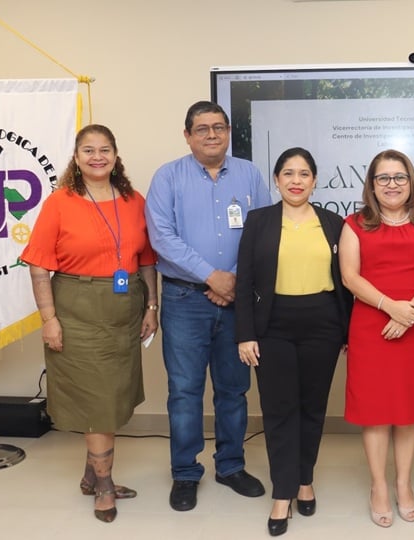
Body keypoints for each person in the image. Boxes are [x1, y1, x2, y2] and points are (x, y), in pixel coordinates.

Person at [21, 124, 159, 523]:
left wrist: (151, 306)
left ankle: (89, 475)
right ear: (76, 158)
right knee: (97, 402)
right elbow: (38, 268)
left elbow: (147, 260)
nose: (97, 156)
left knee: (111, 396)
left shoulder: (134, 200)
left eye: (104, 150)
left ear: (116, 156)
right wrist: (49, 319)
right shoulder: (60, 202)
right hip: (76, 310)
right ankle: (103, 484)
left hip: (124, 310)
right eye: (88, 150)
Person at [145, 101, 272, 512]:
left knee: (234, 390)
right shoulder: (167, 177)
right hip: (184, 299)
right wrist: (211, 276)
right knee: (184, 391)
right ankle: (185, 473)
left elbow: (264, 231)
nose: (212, 135)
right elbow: (162, 237)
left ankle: (231, 466)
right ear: (188, 135)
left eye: (219, 127)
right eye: (202, 129)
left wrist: (232, 279)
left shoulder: (250, 174)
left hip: (238, 299)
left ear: (229, 130)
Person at [235, 147, 351, 536]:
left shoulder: (335, 223)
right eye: (288, 173)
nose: (296, 180)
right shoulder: (259, 221)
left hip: (323, 324)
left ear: (315, 180)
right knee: (280, 410)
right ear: (277, 180)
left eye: (303, 174)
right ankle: (283, 492)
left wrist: (347, 332)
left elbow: (347, 281)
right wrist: (245, 334)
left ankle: (305, 479)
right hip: (274, 326)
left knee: (313, 408)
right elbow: (246, 281)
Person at [340, 149, 414, 528]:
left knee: (407, 411)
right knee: (375, 413)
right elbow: (350, 277)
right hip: (371, 326)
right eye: (382, 178)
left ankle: (404, 484)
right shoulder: (355, 224)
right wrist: (390, 307)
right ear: (371, 184)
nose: (391, 184)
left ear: (411, 182)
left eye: (399, 177)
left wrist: (409, 311)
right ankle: (379, 486)